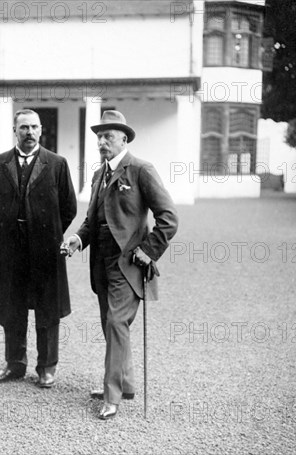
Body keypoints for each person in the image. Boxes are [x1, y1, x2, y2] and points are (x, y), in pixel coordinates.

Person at [63, 110, 178, 419]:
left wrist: (149, 250)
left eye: (109, 136)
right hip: (100, 259)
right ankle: (125, 383)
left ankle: (111, 395)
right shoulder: (99, 174)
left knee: (116, 323)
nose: (102, 141)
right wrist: (77, 238)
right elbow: (92, 220)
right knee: (110, 325)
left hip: (127, 262)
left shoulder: (141, 170)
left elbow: (168, 218)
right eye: (99, 137)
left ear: (124, 139)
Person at [0, 109, 77, 388]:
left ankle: (47, 367)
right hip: (9, 247)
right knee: (12, 304)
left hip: (46, 249)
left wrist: (47, 232)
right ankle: (15, 364)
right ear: (15, 130)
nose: (30, 133)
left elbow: (68, 208)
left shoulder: (57, 164)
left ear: (41, 130)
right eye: (24, 128)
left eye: (34, 127)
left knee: (47, 306)